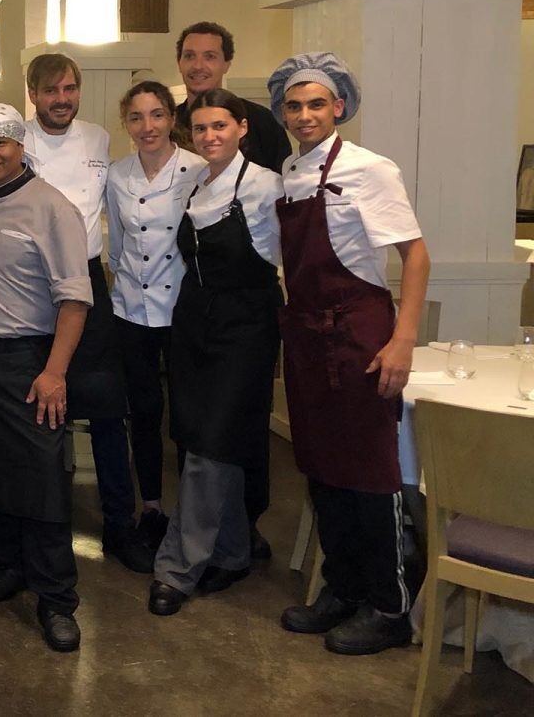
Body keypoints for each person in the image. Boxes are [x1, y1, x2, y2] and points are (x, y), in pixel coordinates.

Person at [269, 52, 429, 655]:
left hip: (360, 333)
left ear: (339, 107)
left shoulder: (369, 169)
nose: (305, 114)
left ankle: (389, 608)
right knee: (321, 467)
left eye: (317, 104)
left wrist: (402, 339)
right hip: (308, 337)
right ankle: (342, 588)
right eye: (294, 104)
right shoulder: (289, 170)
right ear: (282, 110)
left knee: (370, 472)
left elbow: (416, 254)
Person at [0, 102, 91, 653]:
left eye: (0, 143)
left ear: (20, 146)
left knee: (41, 482)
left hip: (30, 360)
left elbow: (75, 300)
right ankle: (12, 565)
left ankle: (57, 600)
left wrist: (55, 372)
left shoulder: (51, 207)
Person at [147, 89, 284, 616]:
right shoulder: (195, 183)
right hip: (195, 321)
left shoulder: (267, 186)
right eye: (201, 128)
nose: (210, 136)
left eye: (220, 126)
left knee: (210, 446)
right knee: (202, 439)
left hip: (246, 325)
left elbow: (290, 255)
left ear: (242, 127)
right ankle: (232, 550)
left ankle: (176, 567)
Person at [22, 53, 151, 573]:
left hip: (91, 282)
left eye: (70, 88)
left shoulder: (98, 139)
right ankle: (41, 525)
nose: (62, 99)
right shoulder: (17, 139)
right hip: (33, 286)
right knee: (37, 408)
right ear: (32, 94)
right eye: (51, 90)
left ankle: (120, 525)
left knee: (105, 410)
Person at [104, 82, 206, 550]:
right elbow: (119, 246)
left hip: (182, 308)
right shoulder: (116, 174)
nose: (148, 127)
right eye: (138, 118)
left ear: (171, 120)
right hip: (129, 307)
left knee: (186, 413)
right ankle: (151, 506)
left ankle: (192, 508)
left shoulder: (197, 170)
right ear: (127, 123)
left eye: (157, 115)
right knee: (143, 411)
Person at [173, 21, 292, 174]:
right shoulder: (169, 125)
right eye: (189, 56)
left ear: (227, 64)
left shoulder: (262, 121)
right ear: (179, 63)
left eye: (210, 56)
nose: (198, 66)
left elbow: (283, 182)